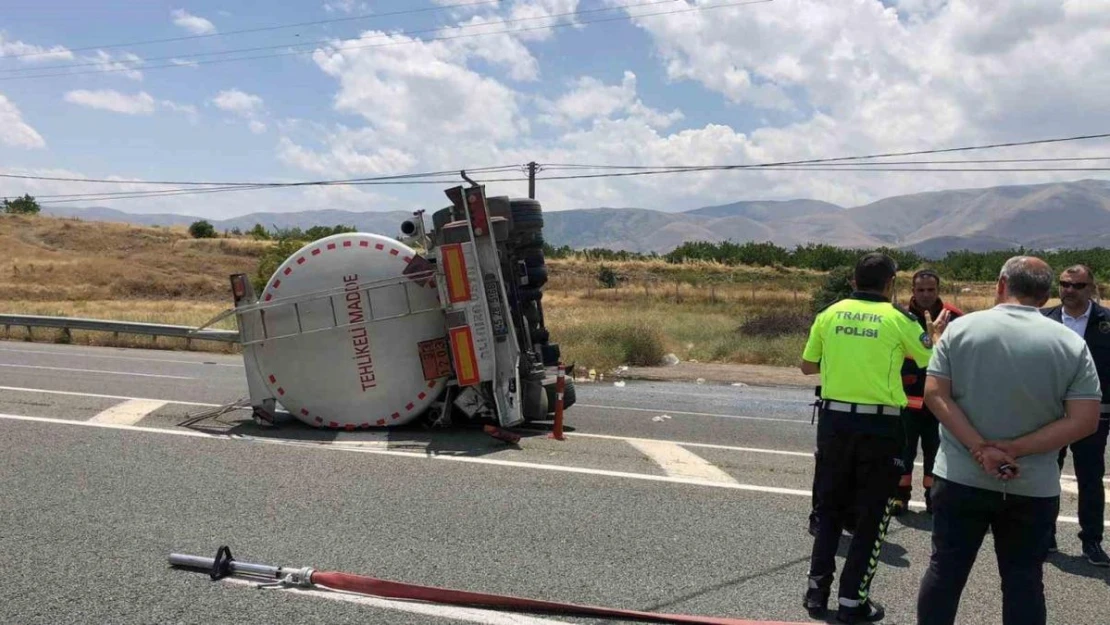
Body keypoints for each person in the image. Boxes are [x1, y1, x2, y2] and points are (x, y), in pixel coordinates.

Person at [916, 256, 1102, 625]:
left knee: (946, 573)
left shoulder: (960, 329)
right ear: (1047, 292)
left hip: (961, 477)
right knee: (1023, 581)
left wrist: (980, 449)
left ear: (1001, 284)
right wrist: (1013, 450)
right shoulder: (1070, 343)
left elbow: (936, 395)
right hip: (1031, 484)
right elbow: (1085, 420)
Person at [801, 252, 950, 624]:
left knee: (830, 508)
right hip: (880, 428)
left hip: (834, 422)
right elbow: (928, 358)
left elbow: (807, 365)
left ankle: (816, 593)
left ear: (853, 281)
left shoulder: (829, 314)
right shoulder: (898, 319)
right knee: (871, 514)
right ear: (891, 284)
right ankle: (853, 601)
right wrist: (935, 337)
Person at [1041, 264, 1110, 564]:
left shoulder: (1106, 322)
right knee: (1045, 474)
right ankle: (1045, 535)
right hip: (1050, 412)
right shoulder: (1044, 319)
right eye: (1064, 284)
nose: (1069, 290)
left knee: (1090, 477)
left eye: (1077, 286)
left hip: (1094, 414)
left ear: (1091, 288)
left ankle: (1092, 541)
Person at [893, 269, 964, 515]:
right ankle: (899, 496)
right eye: (920, 290)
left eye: (930, 290)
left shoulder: (954, 317)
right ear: (912, 290)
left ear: (938, 290)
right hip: (905, 398)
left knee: (937, 451)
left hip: (940, 401)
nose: (925, 294)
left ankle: (933, 498)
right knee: (903, 451)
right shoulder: (899, 318)